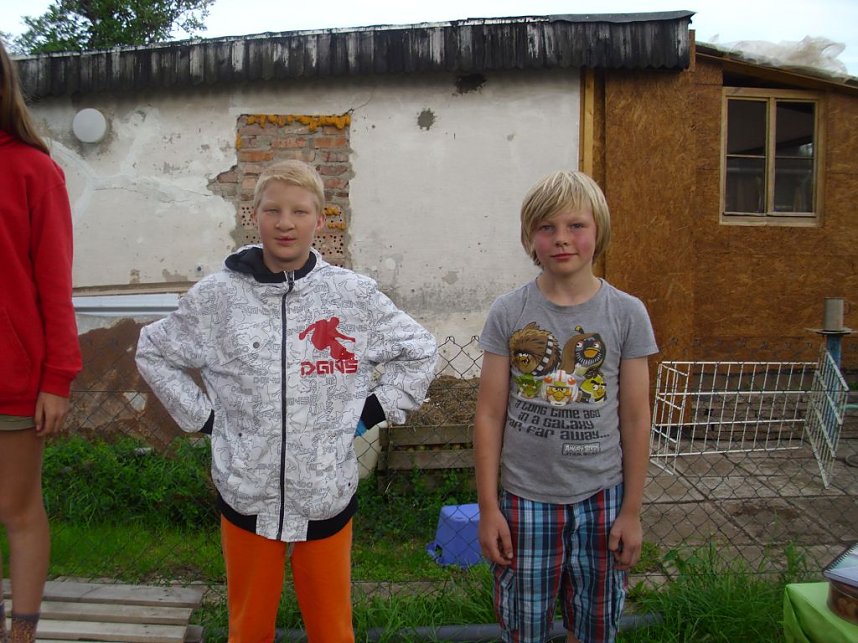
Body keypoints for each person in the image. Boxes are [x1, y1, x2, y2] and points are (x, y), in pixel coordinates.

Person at [136, 159, 438, 642]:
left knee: (333, 629)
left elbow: (420, 351)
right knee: (249, 628)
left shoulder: (351, 296)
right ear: (252, 214)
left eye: (299, 212)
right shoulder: (218, 299)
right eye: (273, 210)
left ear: (320, 220)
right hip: (245, 489)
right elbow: (154, 349)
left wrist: (369, 413)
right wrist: (205, 419)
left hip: (325, 491)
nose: (285, 223)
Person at [474, 170, 658, 643]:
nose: (561, 240)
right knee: (524, 623)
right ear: (530, 238)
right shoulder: (508, 312)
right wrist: (489, 508)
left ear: (599, 231)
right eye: (546, 228)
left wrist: (632, 511)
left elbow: (637, 418)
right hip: (524, 501)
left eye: (576, 226)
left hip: (603, 499)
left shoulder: (626, 313)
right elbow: (490, 415)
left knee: (596, 624)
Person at [0, 40, 82, 643]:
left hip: (11, 381)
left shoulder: (33, 169)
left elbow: (54, 283)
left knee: (18, 511)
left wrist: (57, 377)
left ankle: (21, 634)